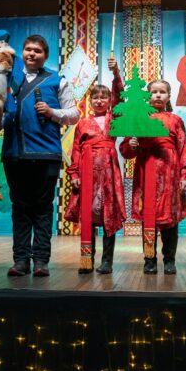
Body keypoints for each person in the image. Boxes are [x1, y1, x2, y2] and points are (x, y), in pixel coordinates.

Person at [2, 34, 80, 277]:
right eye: (28, 49)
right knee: (20, 208)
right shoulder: (8, 79)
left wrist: (52, 112)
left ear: (45, 56)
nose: (31, 54)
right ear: (22, 52)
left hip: (46, 153)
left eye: (37, 50)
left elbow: (74, 114)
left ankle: (41, 261)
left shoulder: (57, 80)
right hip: (15, 153)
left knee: (43, 208)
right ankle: (21, 261)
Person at [120, 80, 186, 275]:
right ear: (148, 96)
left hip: (170, 174)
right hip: (146, 173)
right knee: (149, 217)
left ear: (169, 96)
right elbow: (126, 151)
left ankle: (169, 260)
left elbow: (183, 149)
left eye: (162, 92)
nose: (158, 95)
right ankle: (149, 259)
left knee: (170, 219)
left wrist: (185, 175)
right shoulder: (139, 118)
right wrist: (131, 145)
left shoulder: (175, 120)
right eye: (154, 92)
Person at [65, 58, 126, 274]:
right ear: (90, 101)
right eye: (95, 98)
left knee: (109, 214)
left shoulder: (113, 118)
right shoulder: (82, 123)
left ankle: (107, 261)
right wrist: (74, 174)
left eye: (104, 97)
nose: (99, 101)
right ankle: (86, 259)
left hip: (109, 172)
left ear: (109, 101)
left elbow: (120, 96)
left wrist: (115, 73)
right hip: (87, 172)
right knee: (88, 216)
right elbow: (75, 150)